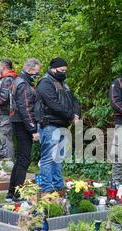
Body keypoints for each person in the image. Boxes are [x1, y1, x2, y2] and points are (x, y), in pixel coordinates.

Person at [36, 57, 80, 193]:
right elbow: (53, 103)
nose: (64, 73)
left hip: (62, 125)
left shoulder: (63, 84)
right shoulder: (45, 83)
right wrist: (70, 116)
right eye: (61, 70)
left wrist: (77, 113)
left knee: (58, 158)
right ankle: (47, 188)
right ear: (53, 68)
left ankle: (58, 185)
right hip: (49, 124)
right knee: (48, 158)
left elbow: (74, 100)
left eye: (65, 71)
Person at [6, 59, 42, 202]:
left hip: (18, 122)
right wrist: (33, 129)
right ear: (29, 69)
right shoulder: (23, 84)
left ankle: (11, 192)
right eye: (36, 72)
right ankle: (17, 193)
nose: (37, 75)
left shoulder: (17, 81)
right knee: (24, 160)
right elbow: (25, 108)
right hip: (22, 124)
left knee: (20, 159)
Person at [0, 59, 17, 160]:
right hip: (4, 112)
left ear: (3, 67)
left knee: (5, 137)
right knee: (3, 135)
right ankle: (4, 157)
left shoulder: (8, 79)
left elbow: (4, 97)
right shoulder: (7, 78)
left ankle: (9, 162)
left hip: (6, 113)